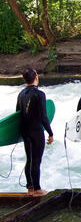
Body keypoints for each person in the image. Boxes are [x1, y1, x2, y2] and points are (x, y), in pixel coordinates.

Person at [16, 68, 53, 197]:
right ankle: (37, 189)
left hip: (25, 131)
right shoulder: (40, 94)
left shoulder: (21, 94)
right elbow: (43, 116)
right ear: (36, 77)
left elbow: (17, 114)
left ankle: (30, 188)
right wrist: (50, 133)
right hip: (36, 131)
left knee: (29, 159)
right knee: (36, 160)